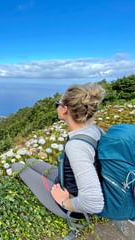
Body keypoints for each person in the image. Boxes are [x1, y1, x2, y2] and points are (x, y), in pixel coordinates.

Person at [11, 83, 106, 237]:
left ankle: (60, 202)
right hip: (67, 181)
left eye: (58, 104)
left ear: (65, 109)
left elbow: (94, 203)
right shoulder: (95, 130)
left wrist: (64, 201)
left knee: (17, 166)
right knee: (29, 161)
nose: (57, 107)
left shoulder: (77, 147)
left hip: (72, 205)